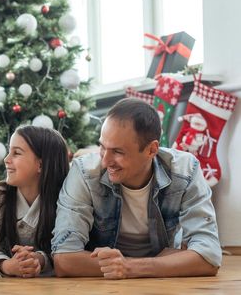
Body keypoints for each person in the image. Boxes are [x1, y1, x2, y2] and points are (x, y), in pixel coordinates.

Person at [52, 98, 222, 279]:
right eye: (102, 147)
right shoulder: (84, 172)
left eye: (117, 152)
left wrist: (130, 267)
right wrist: (171, 262)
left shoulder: (185, 170)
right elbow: (64, 258)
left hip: (145, 280)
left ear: (151, 150)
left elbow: (209, 256)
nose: (105, 161)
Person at [0, 126, 69, 277]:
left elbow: (69, 247)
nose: (6, 159)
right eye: (9, 151)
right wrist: (7, 265)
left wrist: (38, 260)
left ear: (41, 164)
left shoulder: (67, 199)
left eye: (16, 153)